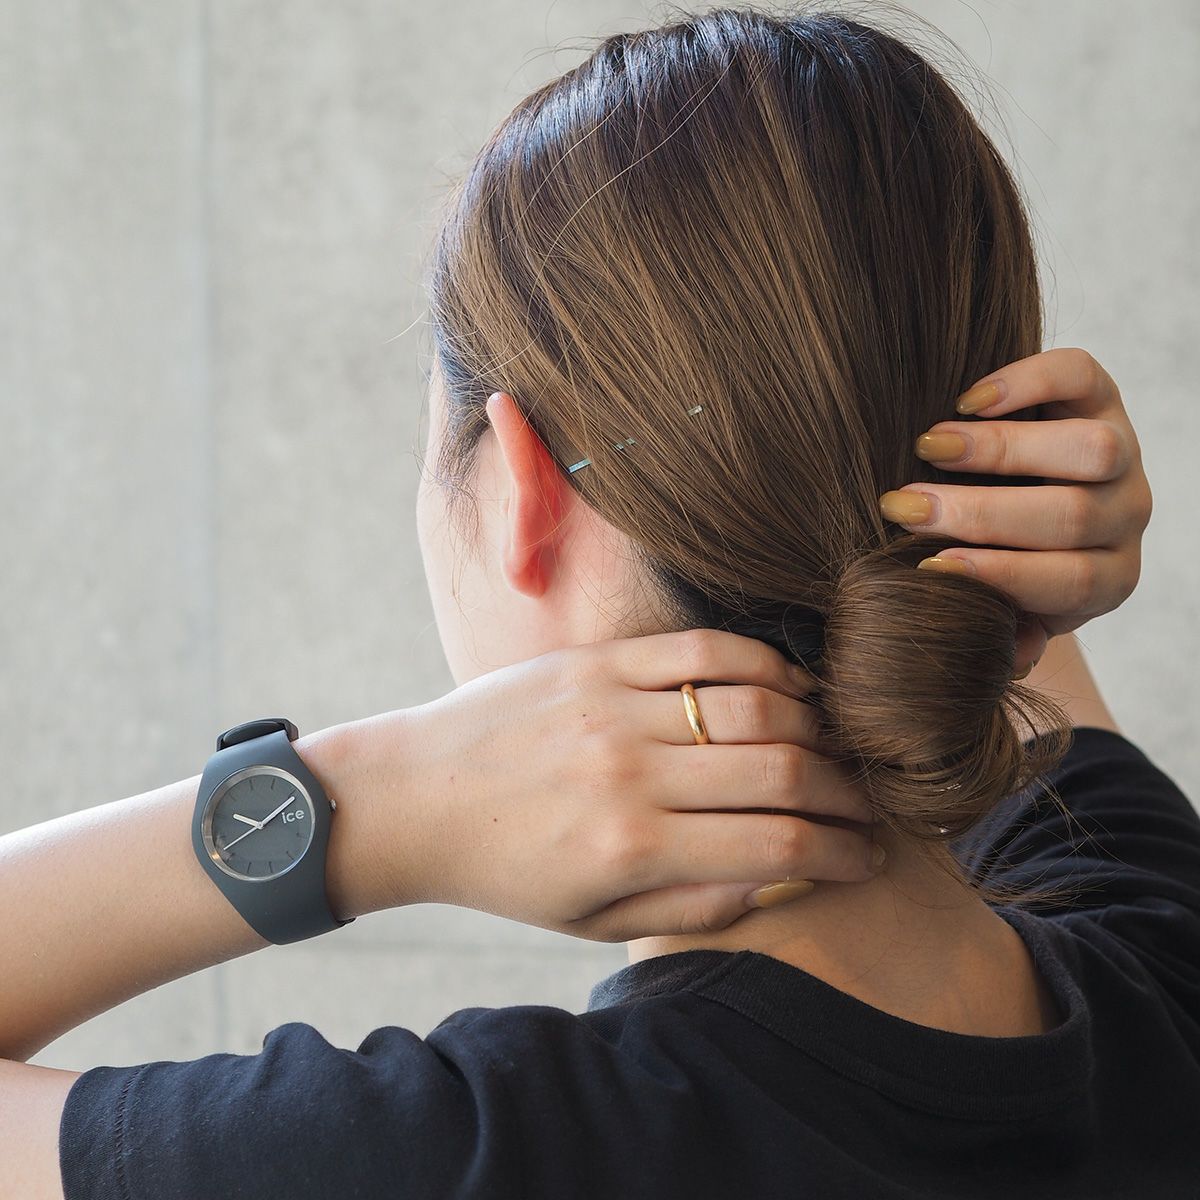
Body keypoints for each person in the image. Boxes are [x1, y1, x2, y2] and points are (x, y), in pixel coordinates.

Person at [3, 6, 1196, 1198]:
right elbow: (907, 559)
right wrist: (986, 509)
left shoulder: (448, 1159)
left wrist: (372, 804)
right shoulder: (1166, 973)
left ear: (521, 492)